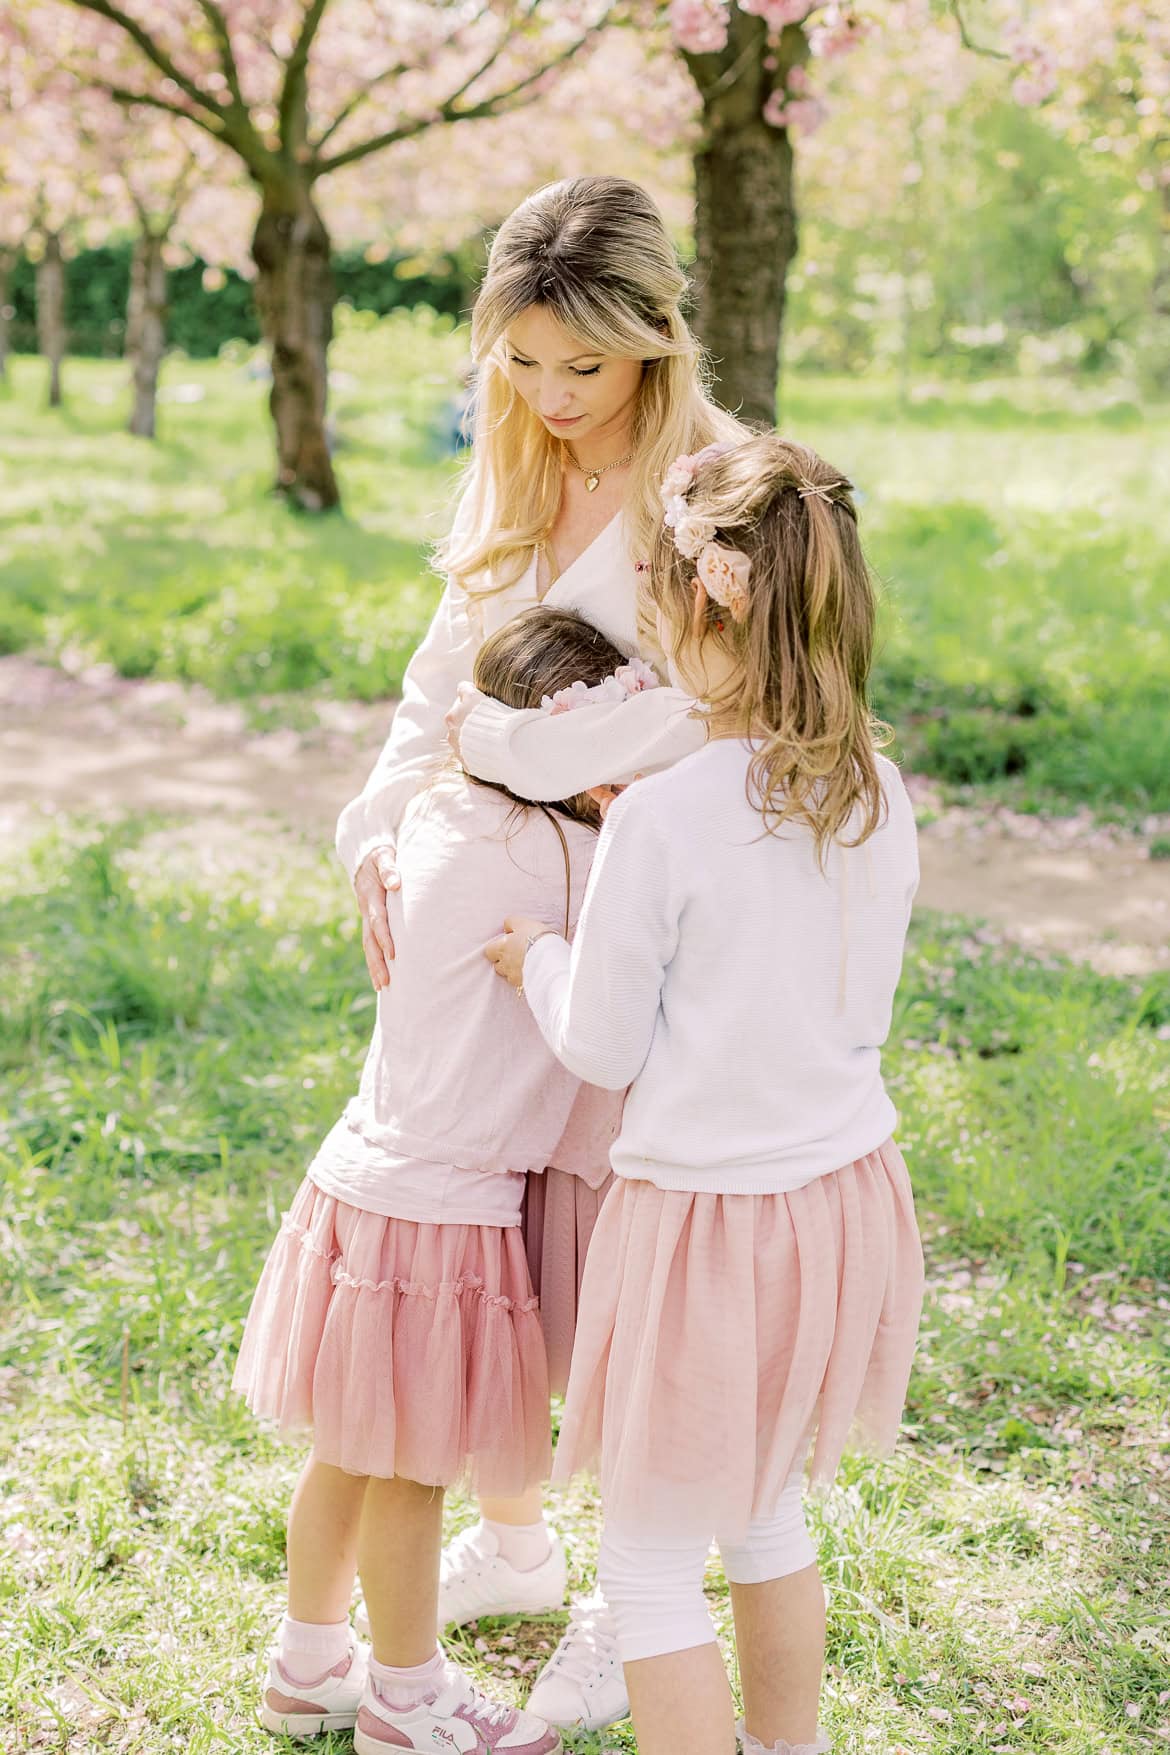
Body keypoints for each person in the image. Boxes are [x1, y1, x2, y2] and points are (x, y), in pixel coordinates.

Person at [336, 172, 747, 1729]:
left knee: (617, 1257)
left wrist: (508, 743)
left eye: (588, 366)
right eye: (522, 360)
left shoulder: (714, 484)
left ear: (657, 337)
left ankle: (629, 1590)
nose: (556, 397)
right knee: (481, 1224)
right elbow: (435, 675)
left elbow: (717, 707)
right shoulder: (508, 465)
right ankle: (509, 1535)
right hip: (489, 902)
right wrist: (380, 823)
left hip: (636, 924)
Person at [486, 435, 925, 1755]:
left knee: (650, 1562)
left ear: (699, 603)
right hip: (841, 1204)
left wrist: (539, 958)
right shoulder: (875, 793)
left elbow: (603, 1049)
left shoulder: (663, 816)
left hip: (706, 1226)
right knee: (764, 1513)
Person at [235, 608, 637, 1754]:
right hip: (445, 1212)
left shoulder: (433, 815)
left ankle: (309, 1664)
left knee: (350, 1453)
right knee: (413, 1472)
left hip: (357, 1181)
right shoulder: (572, 860)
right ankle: (408, 1701)